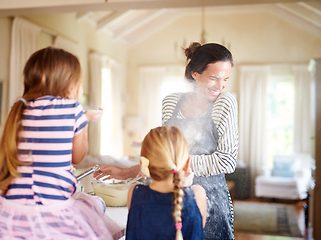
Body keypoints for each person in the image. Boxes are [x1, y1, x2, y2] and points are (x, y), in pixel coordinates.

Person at [0, 47, 122, 240]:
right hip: (53, 205)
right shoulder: (73, 109)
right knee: (95, 205)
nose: (81, 89)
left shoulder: (19, 107)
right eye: (79, 83)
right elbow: (78, 156)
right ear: (68, 84)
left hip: (12, 205)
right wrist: (85, 122)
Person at [94, 42, 238, 240]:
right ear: (195, 73)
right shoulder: (171, 102)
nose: (220, 86)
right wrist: (125, 172)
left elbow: (227, 161)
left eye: (225, 79)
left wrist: (178, 163)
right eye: (214, 78)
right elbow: (163, 154)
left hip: (209, 202)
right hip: (167, 201)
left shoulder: (225, 102)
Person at [126, 126, 207, 240]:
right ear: (187, 164)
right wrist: (185, 184)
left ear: (143, 164)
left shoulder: (134, 194)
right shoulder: (197, 195)